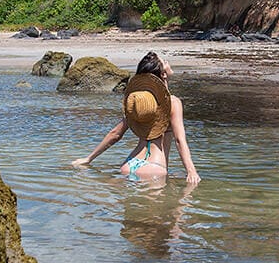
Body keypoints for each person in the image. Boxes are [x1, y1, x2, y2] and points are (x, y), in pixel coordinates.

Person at [73, 51, 201, 184]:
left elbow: (115, 134)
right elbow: (180, 140)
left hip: (130, 164)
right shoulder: (173, 103)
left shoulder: (140, 101)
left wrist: (89, 159)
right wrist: (191, 171)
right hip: (154, 167)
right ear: (163, 74)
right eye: (165, 62)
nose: (168, 63)